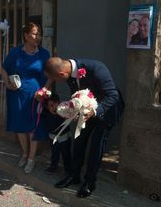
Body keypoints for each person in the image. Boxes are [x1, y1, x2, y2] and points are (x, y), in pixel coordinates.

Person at [44, 56, 124, 198]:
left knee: (96, 145)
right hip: (86, 112)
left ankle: (90, 182)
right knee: (79, 140)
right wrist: (72, 109)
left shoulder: (97, 68)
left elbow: (113, 95)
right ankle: (74, 175)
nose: (58, 82)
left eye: (57, 79)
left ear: (62, 74)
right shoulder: (69, 73)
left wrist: (95, 111)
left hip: (106, 110)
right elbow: (77, 95)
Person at [0, 22, 50, 174]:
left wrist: (45, 89)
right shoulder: (15, 52)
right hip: (16, 94)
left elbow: (50, 75)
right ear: (26, 35)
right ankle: (24, 153)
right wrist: (7, 82)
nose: (38, 37)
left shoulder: (44, 54)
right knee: (20, 126)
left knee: (33, 127)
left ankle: (31, 158)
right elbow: (3, 68)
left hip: (35, 95)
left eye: (39, 34)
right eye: (35, 34)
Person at [41, 93, 72, 175]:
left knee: (66, 154)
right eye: (49, 106)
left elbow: (70, 115)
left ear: (58, 102)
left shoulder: (63, 111)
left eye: (53, 105)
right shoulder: (46, 113)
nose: (51, 107)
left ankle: (68, 170)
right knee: (55, 153)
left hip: (64, 137)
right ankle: (53, 166)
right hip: (53, 137)